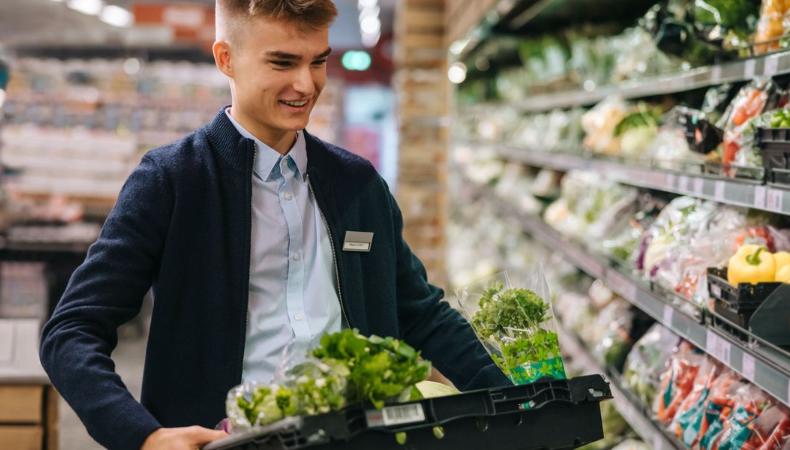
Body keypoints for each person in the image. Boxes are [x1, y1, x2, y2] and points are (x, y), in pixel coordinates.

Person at [39, 1, 509, 449]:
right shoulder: (173, 181)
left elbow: (422, 314)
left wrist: (516, 403)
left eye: (318, 61)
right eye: (283, 63)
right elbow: (72, 330)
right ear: (227, 59)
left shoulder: (357, 184)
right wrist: (141, 435)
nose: (306, 84)